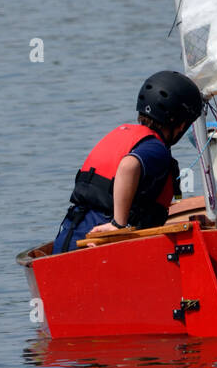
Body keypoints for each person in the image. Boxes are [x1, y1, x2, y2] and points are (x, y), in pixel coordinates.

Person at [53, 70, 204, 254]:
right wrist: (119, 225)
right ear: (180, 124)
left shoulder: (128, 135)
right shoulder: (155, 148)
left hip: (70, 236)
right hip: (95, 243)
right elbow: (128, 165)